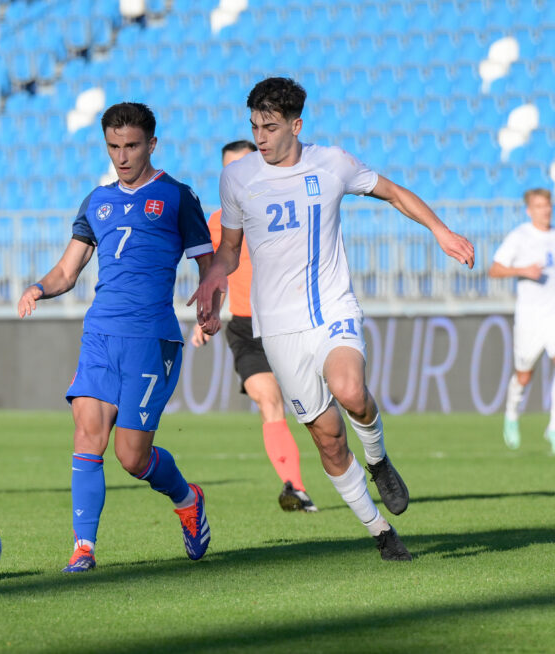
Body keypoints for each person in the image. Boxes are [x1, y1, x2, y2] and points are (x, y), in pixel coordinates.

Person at [192, 77, 475, 561]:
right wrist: (213, 279)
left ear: (296, 125)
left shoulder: (332, 163)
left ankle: (379, 460)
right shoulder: (238, 178)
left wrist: (440, 230)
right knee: (327, 438)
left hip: (332, 309)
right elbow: (231, 249)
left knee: (350, 391)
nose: (260, 136)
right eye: (254, 126)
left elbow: (394, 193)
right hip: (277, 328)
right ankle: (381, 532)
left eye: (271, 126)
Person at [17, 102, 215, 573]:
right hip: (101, 334)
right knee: (87, 434)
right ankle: (83, 548)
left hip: (151, 340)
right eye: (113, 147)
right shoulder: (96, 201)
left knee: (131, 456)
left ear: (151, 144)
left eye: (131, 146)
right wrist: (38, 287)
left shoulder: (177, 197)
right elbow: (68, 270)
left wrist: (210, 306)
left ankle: (187, 499)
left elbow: (207, 264)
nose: (122, 156)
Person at [192, 139, 317, 513]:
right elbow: (217, 274)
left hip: (289, 320)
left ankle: (357, 469)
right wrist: (207, 314)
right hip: (245, 326)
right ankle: (295, 487)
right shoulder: (216, 223)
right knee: (269, 400)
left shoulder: (284, 209)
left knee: (316, 409)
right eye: (230, 169)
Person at [489, 188, 555, 453]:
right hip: (530, 316)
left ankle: (553, 428)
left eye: (548, 205)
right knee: (525, 375)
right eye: (539, 206)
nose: (546, 210)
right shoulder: (520, 237)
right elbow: (494, 269)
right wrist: (522, 270)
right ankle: (512, 413)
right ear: (529, 210)